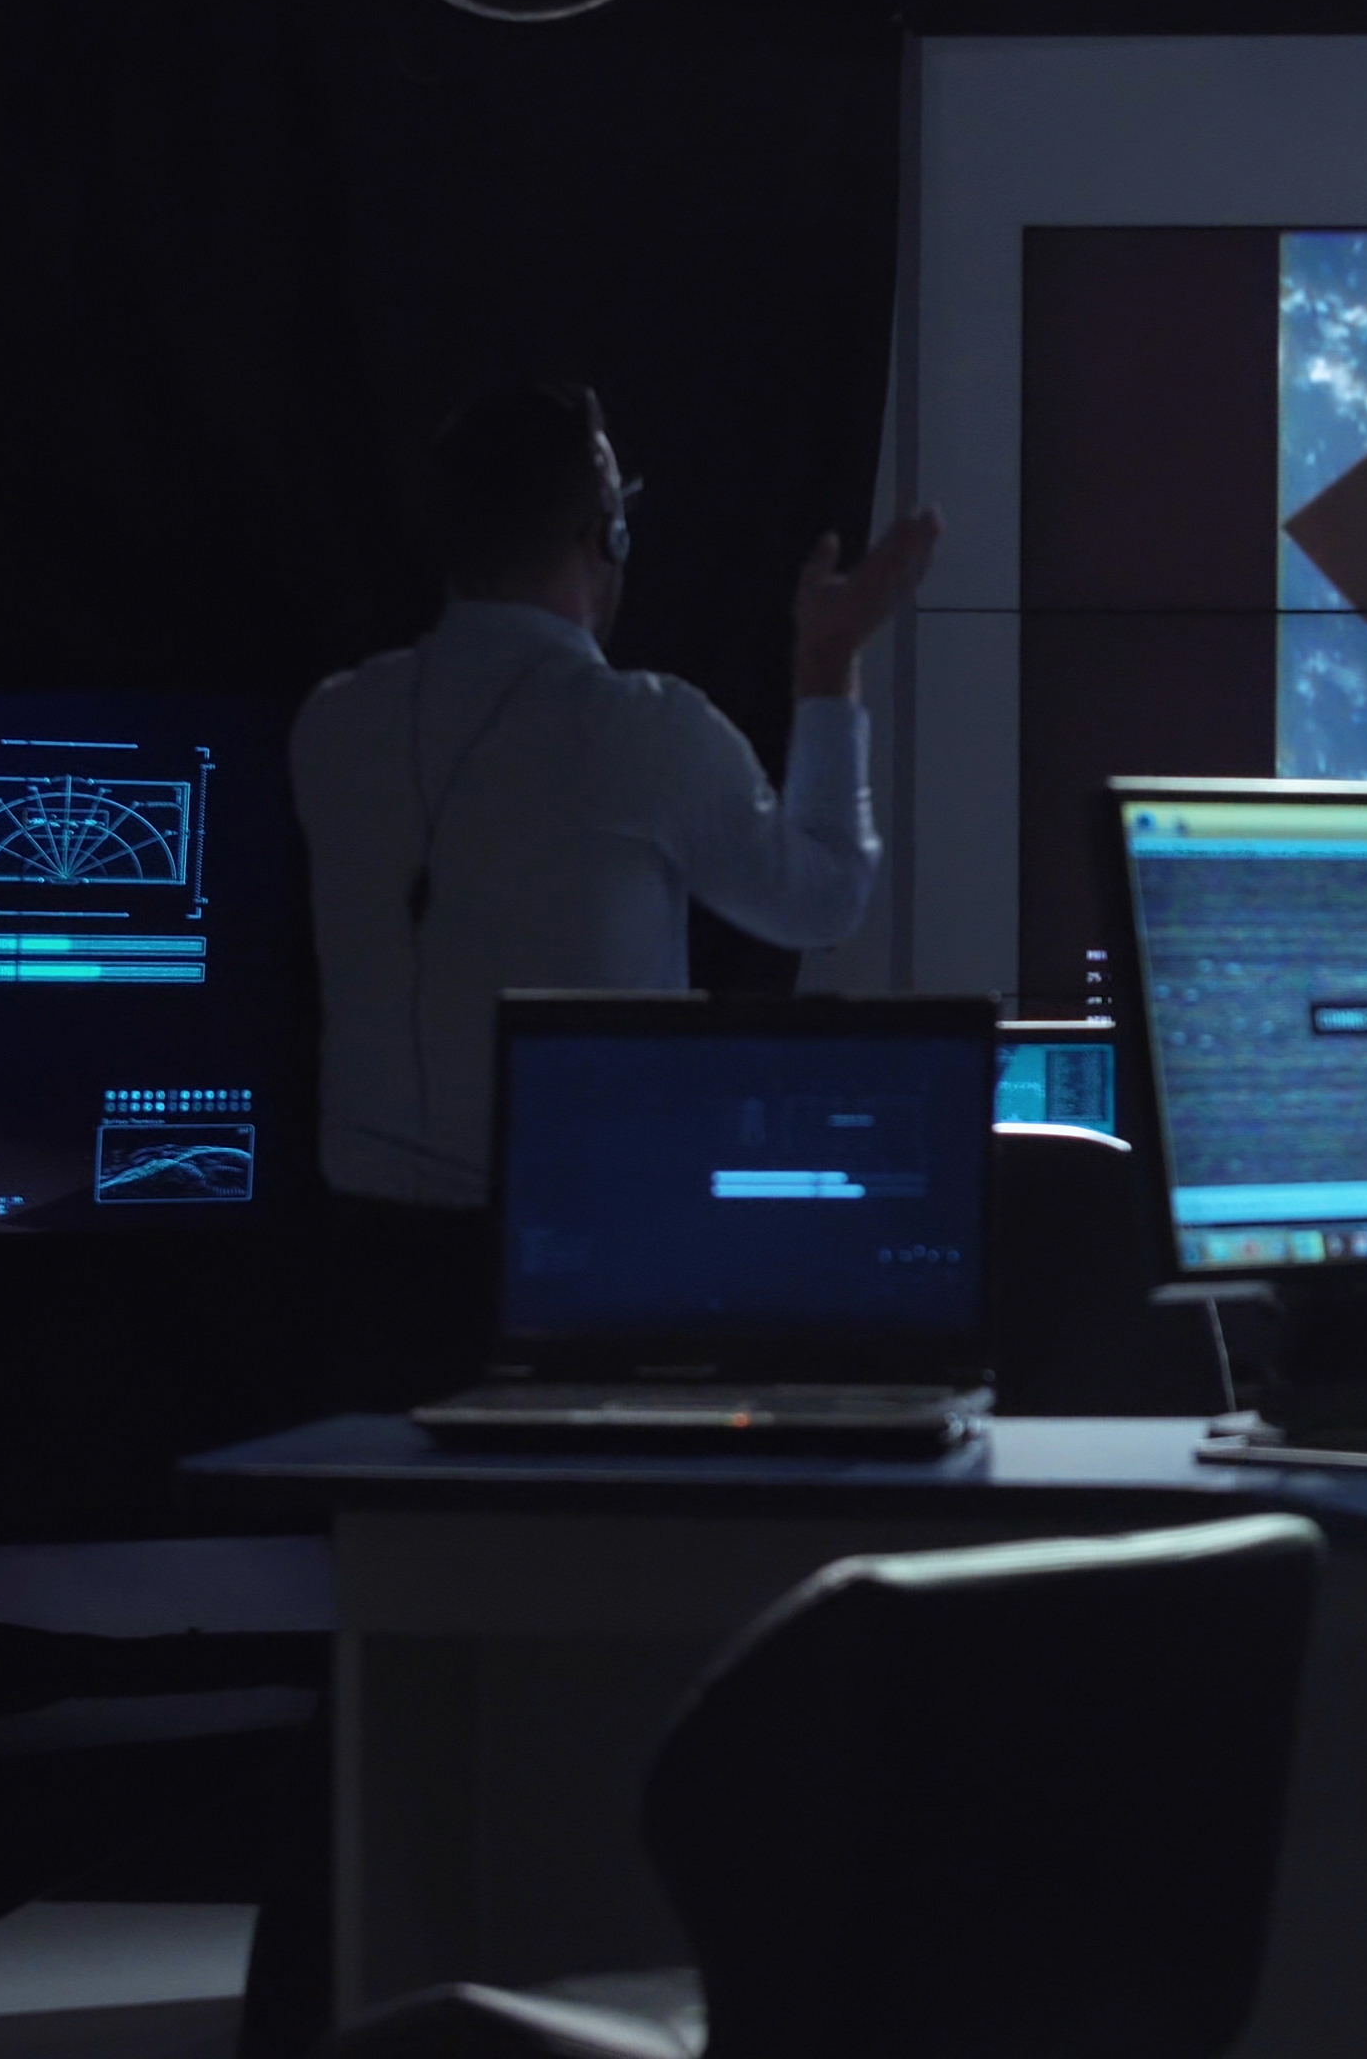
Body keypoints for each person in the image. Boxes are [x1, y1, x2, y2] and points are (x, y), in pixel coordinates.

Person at [291, 382, 935, 1391]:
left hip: (363, 1273)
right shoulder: (641, 728)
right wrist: (827, 662)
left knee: (395, 1543)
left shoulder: (331, 725)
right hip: (588, 1261)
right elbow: (820, 900)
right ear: (609, 537)